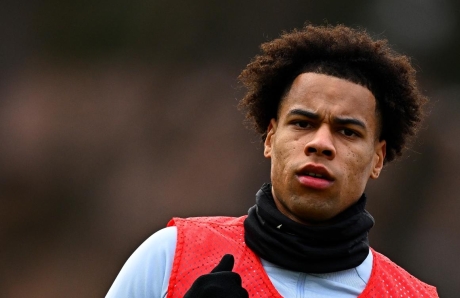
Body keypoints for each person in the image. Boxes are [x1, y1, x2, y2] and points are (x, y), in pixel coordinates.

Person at [106, 24, 439, 298]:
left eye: (348, 131)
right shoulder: (170, 255)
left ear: (378, 158)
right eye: (303, 124)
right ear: (270, 138)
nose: (320, 144)